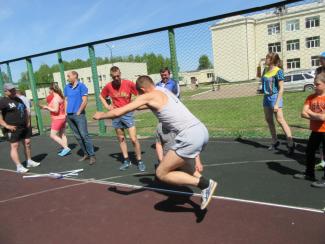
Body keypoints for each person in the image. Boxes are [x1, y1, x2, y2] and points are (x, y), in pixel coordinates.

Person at [94, 75, 217, 210]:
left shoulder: (149, 95)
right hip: (201, 131)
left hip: (189, 135)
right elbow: (140, 106)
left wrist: (101, 115)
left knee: (161, 173)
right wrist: (131, 103)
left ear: (142, 89)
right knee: (183, 166)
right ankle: (204, 184)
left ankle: (205, 185)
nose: (139, 96)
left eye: (139, 93)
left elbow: (119, 112)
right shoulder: (162, 90)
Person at [100, 66, 145, 172]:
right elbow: (101, 96)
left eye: (118, 76)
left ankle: (139, 161)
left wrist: (135, 104)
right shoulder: (108, 86)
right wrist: (107, 106)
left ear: (120, 74)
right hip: (116, 115)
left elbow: (139, 93)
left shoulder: (128, 83)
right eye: (114, 76)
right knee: (121, 139)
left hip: (127, 114)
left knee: (134, 139)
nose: (116, 78)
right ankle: (126, 160)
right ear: (111, 76)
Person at [258, 52, 295, 154]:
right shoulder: (265, 69)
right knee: (269, 120)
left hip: (275, 97)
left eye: (267, 58)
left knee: (280, 120)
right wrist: (258, 65)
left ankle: (291, 143)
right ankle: (275, 141)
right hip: (266, 97)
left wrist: (276, 103)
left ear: (272, 60)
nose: (265, 59)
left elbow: (281, 88)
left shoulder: (279, 71)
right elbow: (259, 77)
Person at [0, 83, 40, 173]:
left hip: (23, 126)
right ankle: (19, 166)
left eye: (14, 89)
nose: (13, 91)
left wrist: (28, 121)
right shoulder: (2, 101)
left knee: (27, 143)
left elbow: (25, 110)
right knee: (15, 146)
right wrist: (6, 126)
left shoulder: (18, 99)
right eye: (11, 90)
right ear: (5, 91)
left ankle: (29, 161)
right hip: (12, 128)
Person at [294, 73, 325, 188]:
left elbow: (323, 118)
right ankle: (309, 173)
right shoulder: (310, 97)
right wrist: (316, 115)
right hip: (316, 130)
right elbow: (303, 113)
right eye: (314, 84)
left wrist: (310, 114)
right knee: (310, 151)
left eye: (318, 84)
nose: (315, 86)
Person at [64, 71, 96, 165]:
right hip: (69, 116)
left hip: (79, 115)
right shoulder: (67, 87)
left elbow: (84, 101)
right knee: (77, 136)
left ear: (75, 76)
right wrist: (66, 112)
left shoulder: (82, 86)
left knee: (84, 135)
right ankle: (85, 154)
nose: (68, 78)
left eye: (69, 76)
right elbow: (65, 100)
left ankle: (92, 155)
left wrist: (78, 112)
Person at [155, 67, 180, 170]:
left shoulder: (174, 83)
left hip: (173, 112)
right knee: (163, 132)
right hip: (162, 112)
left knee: (174, 133)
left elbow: (177, 96)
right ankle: (164, 159)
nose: (164, 77)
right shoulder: (157, 85)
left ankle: (177, 155)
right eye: (162, 75)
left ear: (169, 74)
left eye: (165, 75)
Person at [40, 82, 70, 156]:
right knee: (62, 134)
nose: (48, 91)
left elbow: (56, 110)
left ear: (52, 90)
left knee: (52, 135)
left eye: (49, 90)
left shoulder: (56, 98)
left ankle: (66, 148)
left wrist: (46, 107)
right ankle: (65, 149)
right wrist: (47, 107)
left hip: (58, 119)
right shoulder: (60, 96)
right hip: (62, 118)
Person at [314, 52, 325, 171]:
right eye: (320, 59)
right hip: (320, 102)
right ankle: (322, 160)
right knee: (320, 134)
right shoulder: (318, 70)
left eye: (322, 59)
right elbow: (316, 83)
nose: (321, 61)